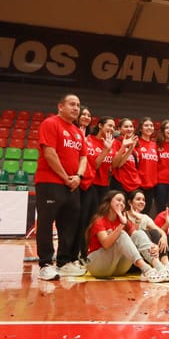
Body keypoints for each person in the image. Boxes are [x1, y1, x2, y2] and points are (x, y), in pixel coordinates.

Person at [35, 94, 88, 280]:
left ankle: (64, 263)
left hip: (73, 185)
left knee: (69, 224)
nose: (76, 108)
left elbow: (83, 157)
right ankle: (45, 264)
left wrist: (78, 177)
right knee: (46, 223)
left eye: (78, 105)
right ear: (60, 106)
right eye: (72, 104)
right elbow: (49, 153)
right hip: (50, 182)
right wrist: (66, 178)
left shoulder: (78, 132)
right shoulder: (50, 123)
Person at [86, 190, 169, 282]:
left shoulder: (124, 220)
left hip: (117, 268)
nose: (121, 203)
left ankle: (159, 267)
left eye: (123, 202)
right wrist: (121, 225)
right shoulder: (99, 220)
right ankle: (147, 270)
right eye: (118, 200)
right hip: (97, 266)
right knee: (122, 234)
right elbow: (106, 244)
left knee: (139, 233)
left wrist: (153, 246)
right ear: (109, 202)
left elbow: (138, 237)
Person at [125, 189, 169, 276]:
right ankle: (158, 266)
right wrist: (137, 221)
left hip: (148, 254)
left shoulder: (145, 217)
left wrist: (164, 236)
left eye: (143, 200)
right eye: (138, 199)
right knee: (141, 232)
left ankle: (165, 263)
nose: (142, 202)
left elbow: (158, 230)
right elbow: (132, 236)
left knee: (155, 232)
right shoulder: (124, 216)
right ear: (129, 202)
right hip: (132, 257)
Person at [74, 106, 98, 262]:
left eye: (89, 115)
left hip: (90, 183)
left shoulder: (90, 138)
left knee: (87, 221)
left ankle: (84, 253)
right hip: (75, 182)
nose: (86, 117)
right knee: (75, 221)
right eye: (83, 114)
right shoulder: (73, 134)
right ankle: (71, 254)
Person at [87, 116, 117, 203]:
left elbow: (114, 165)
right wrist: (106, 150)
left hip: (105, 185)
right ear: (100, 125)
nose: (112, 129)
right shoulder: (89, 139)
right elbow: (94, 166)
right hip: (90, 184)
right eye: (110, 125)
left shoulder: (112, 143)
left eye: (114, 127)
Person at [111, 118, 141, 196]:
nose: (129, 129)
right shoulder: (116, 142)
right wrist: (126, 148)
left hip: (135, 182)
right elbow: (116, 165)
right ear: (119, 129)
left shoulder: (136, 143)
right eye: (126, 127)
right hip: (121, 183)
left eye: (131, 126)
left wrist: (132, 147)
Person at [136, 117, 158, 217]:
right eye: (146, 125)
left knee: (146, 213)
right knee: (136, 212)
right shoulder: (136, 143)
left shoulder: (156, 145)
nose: (149, 127)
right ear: (140, 128)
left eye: (151, 125)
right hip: (138, 184)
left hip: (151, 185)